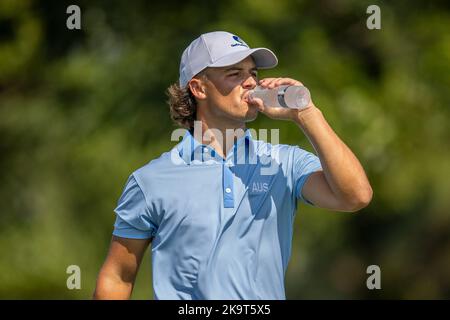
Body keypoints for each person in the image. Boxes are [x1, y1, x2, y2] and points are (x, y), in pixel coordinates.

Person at [93, 31, 373, 300]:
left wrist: (307, 114)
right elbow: (117, 278)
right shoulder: (150, 181)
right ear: (199, 88)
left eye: (253, 73)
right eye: (234, 73)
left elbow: (355, 196)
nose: (251, 82)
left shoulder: (284, 163)